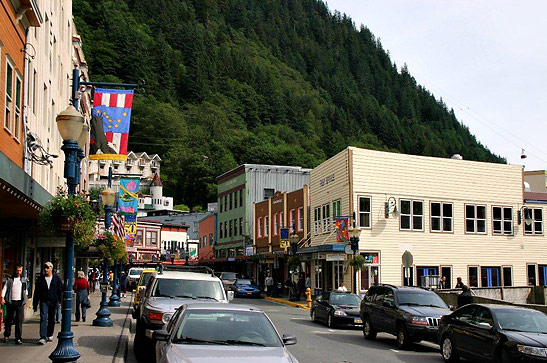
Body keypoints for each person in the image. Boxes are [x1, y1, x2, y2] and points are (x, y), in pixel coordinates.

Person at [33, 262, 63, 345]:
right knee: (43, 318)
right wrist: (35, 304)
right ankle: (42, 337)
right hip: (44, 301)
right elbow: (37, 292)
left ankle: (49, 334)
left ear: (51, 268)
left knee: (51, 318)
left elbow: (60, 290)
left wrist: (60, 301)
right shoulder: (41, 279)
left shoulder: (56, 278)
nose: (45, 269)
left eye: (47, 267)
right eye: (44, 267)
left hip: (53, 301)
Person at [1, 263, 28, 344]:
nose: (19, 272)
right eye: (17, 270)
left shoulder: (23, 280)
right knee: (9, 319)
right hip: (11, 301)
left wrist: (25, 297)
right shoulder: (10, 280)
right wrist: (2, 298)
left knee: (19, 320)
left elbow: (25, 290)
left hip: (20, 302)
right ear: (15, 270)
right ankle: (6, 335)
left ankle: (18, 337)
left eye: (20, 270)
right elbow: (4, 289)